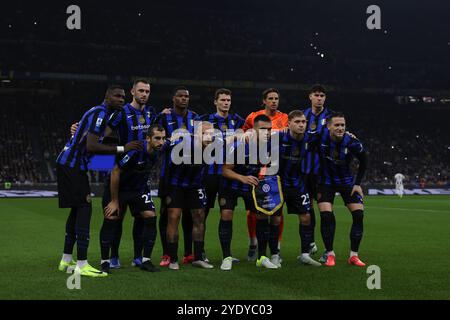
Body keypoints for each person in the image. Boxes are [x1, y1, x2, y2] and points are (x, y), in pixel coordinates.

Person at [56, 85, 142, 277]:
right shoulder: (101, 113)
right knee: (85, 208)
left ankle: (66, 260)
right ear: (107, 97)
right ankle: (82, 264)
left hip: (69, 163)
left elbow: (92, 136)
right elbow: (93, 145)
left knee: (76, 210)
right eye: (117, 96)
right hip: (72, 165)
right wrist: (123, 148)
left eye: (123, 97)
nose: (121, 99)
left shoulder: (102, 113)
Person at [100, 79, 157, 269]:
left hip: (140, 178)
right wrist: (121, 148)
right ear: (133, 91)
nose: (144, 94)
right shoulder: (121, 113)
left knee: (143, 217)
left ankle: (138, 257)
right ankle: (113, 256)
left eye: (147, 91)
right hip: (121, 173)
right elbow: (101, 137)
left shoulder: (151, 113)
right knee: (116, 218)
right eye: (141, 90)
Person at [102, 125, 167, 273]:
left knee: (150, 216)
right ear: (148, 138)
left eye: (163, 138)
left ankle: (146, 260)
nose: (161, 142)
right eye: (157, 138)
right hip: (120, 190)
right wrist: (114, 200)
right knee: (111, 218)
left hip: (139, 189)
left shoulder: (159, 148)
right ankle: (106, 261)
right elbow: (115, 171)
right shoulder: (135, 151)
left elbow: (174, 140)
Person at [220, 114, 280, 270]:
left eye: (269, 129)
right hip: (232, 184)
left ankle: (262, 257)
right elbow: (225, 170)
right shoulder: (240, 144)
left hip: (252, 185)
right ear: (253, 129)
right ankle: (226, 257)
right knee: (226, 215)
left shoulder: (270, 146)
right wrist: (242, 177)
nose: (266, 133)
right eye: (262, 129)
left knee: (263, 215)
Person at [154, 87, 200, 267]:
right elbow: (153, 136)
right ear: (173, 98)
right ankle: (167, 254)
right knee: (167, 215)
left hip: (190, 176)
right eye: (180, 96)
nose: (184, 99)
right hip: (169, 176)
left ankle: (189, 253)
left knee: (189, 215)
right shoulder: (164, 117)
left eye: (186, 96)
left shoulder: (195, 117)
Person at [242, 88, 288, 261]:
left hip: (275, 169)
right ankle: (253, 243)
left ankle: (277, 248)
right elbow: (245, 132)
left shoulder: (284, 118)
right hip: (256, 169)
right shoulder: (253, 116)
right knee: (252, 212)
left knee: (277, 211)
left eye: (276, 98)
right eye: (270, 98)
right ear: (264, 101)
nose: (274, 101)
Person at [199, 88, 245, 262]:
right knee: (202, 214)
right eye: (223, 100)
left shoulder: (237, 120)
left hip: (227, 175)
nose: (226, 103)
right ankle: (200, 251)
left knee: (227, 214)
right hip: (208, 174)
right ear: (215, 102)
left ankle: (227, 254)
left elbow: (251, 129)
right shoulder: (206, 121)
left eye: (228, 100)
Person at [316, 112, 368, 267]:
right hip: (325, 182)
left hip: (346, 182)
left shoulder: (352, 142)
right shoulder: (319, 137)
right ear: (328, 126)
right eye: (337, 125)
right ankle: (330, 254)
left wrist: (357, 183)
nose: (340, 128)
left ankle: (354, 255)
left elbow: (364, 161)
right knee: (326, 216)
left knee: (358, 215)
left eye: (343, 125)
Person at [165, 122, 215, 270]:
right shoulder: (183, 143)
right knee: (174, 217)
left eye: (211, 133)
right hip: (176, 185)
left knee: (199, 217)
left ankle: (198, 257)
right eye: (205, 133)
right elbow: (166, 151)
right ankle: (173, 259)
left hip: (195, 186)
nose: (209, 136)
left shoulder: (213, 147)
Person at [278, 110, 321, 266]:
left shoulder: (311, 138)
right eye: (297, 122)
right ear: (288, 123)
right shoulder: (279, 138)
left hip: (297, 183)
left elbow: (329, 135)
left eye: (303, 122)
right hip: (278, 183)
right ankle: (275, 254)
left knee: (306, 217)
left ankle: (304, 254)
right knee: (275, 218)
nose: (301, 125)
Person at [301, 84, 334, 256]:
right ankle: (311, 243)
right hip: (304, 170)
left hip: (323, 172)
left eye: (322, 95)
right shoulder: (302, 116)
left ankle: (328, 250)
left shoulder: (330, 116)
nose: (319, 98)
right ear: (310, 96)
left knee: (325, 211)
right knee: (307, 209)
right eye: (316, 95)